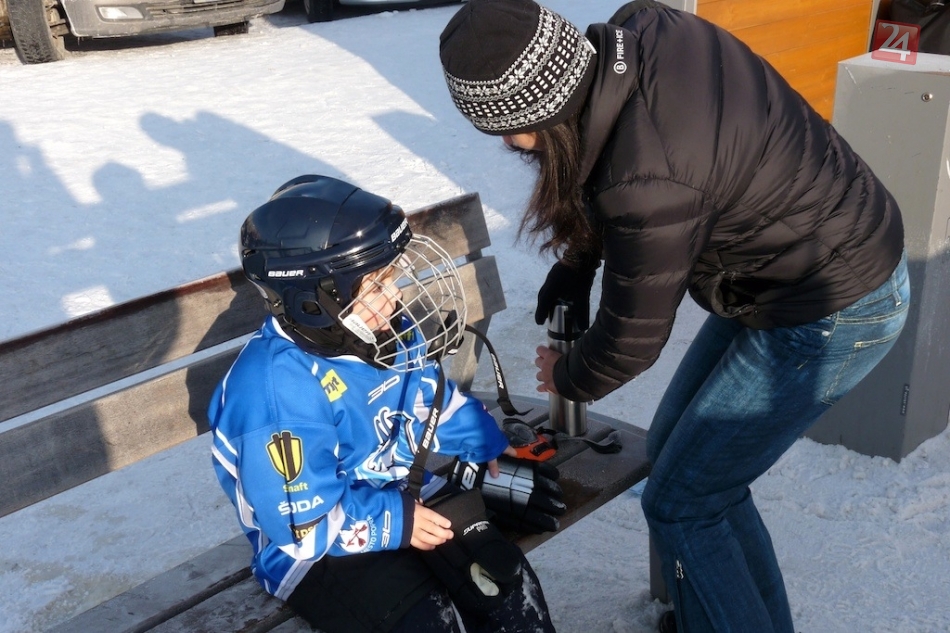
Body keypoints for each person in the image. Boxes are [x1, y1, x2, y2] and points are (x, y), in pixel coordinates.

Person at [438, 1, 910, 631]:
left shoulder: (647, 175)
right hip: (787, 265)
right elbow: (609, 161)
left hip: (832, 304)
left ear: (545, 108)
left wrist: (568, 376)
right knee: (681, 465)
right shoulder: (643, 29)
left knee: (683, 502)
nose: (504, 143)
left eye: (508, 128)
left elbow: (632, 339)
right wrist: (579, 262)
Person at [207, 175, 557, 633]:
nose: (394, 295)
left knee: (503, 586)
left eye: (391, 278)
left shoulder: (385, 332)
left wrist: (482, 439)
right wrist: (395, 522)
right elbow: (301, 526)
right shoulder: (274, 392)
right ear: (314, 301)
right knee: (424, 619)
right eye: (375, 285)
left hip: (402, 493)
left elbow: (427, 399)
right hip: (316, 547)